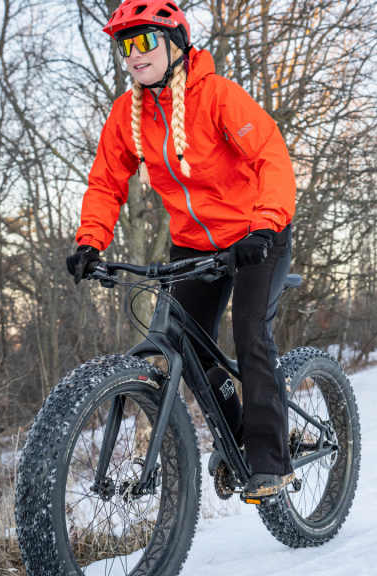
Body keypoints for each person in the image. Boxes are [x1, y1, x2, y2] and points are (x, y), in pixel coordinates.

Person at [65, 0, 297, 498]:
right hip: (193, 243)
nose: (134, 53)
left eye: (145, 40)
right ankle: (235, 437)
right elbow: (106, 182)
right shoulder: (130, 113)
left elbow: (271, 156)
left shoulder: (217, 96)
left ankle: (271, 461)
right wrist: (90, 240)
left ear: (175, 45)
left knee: (250, 334)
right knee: (182, 345)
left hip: (258, 235)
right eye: (125, 44)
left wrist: (263, 226)